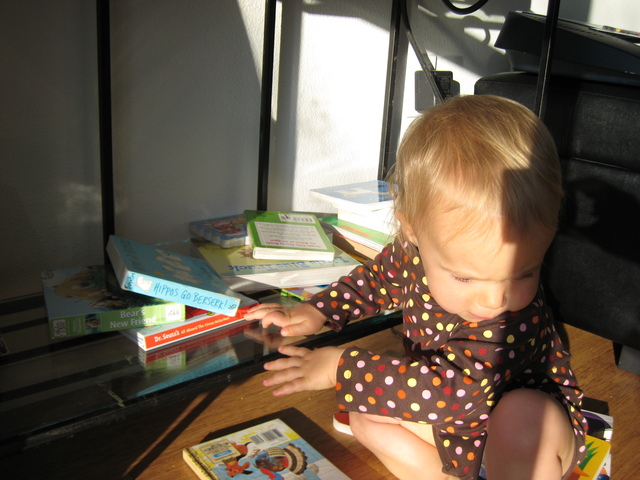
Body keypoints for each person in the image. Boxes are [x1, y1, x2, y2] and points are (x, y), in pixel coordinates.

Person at [245, 95, 587, 480]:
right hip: (458, 432)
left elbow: (453, 392)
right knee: (366, 413)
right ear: (412, 230)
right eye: (465, 277)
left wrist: (341, 368)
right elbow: (376, 281)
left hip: (519, 438)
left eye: (524, 274)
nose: (496, 299)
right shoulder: (412, 251)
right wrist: (318, 310)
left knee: (522, 417)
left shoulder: (511, 322)